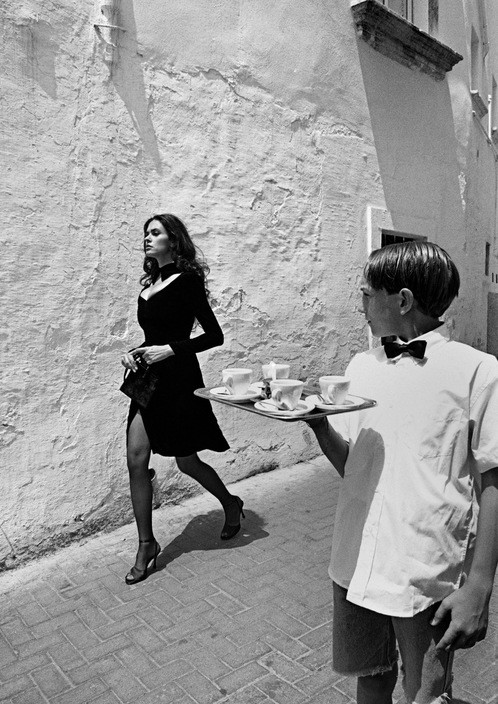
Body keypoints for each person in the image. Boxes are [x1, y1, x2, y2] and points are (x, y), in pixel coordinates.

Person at [306, 241, 498, 704]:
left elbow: (494, 480)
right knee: (371, 677)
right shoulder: (360, 366)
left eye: (367, 294)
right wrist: (319, 426)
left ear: (403, 300)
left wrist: (479, 585)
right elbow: (352, 465)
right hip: (355, 559)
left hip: (424, 568)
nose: (361, 305)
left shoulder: (476, 370)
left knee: (425, 691)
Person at [121, 213, 244, 585]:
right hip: (147, 380)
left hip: (177, 379)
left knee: (186, 462)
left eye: (155, 232)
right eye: (146, 233)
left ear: (173, 241)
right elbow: (152, 337)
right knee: (136, 460)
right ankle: (146, 544)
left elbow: (214, 336)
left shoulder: (187, 281)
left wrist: (170, 350)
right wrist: (134, 352)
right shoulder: (148, 286)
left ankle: (230, 503)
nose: (147, 237)